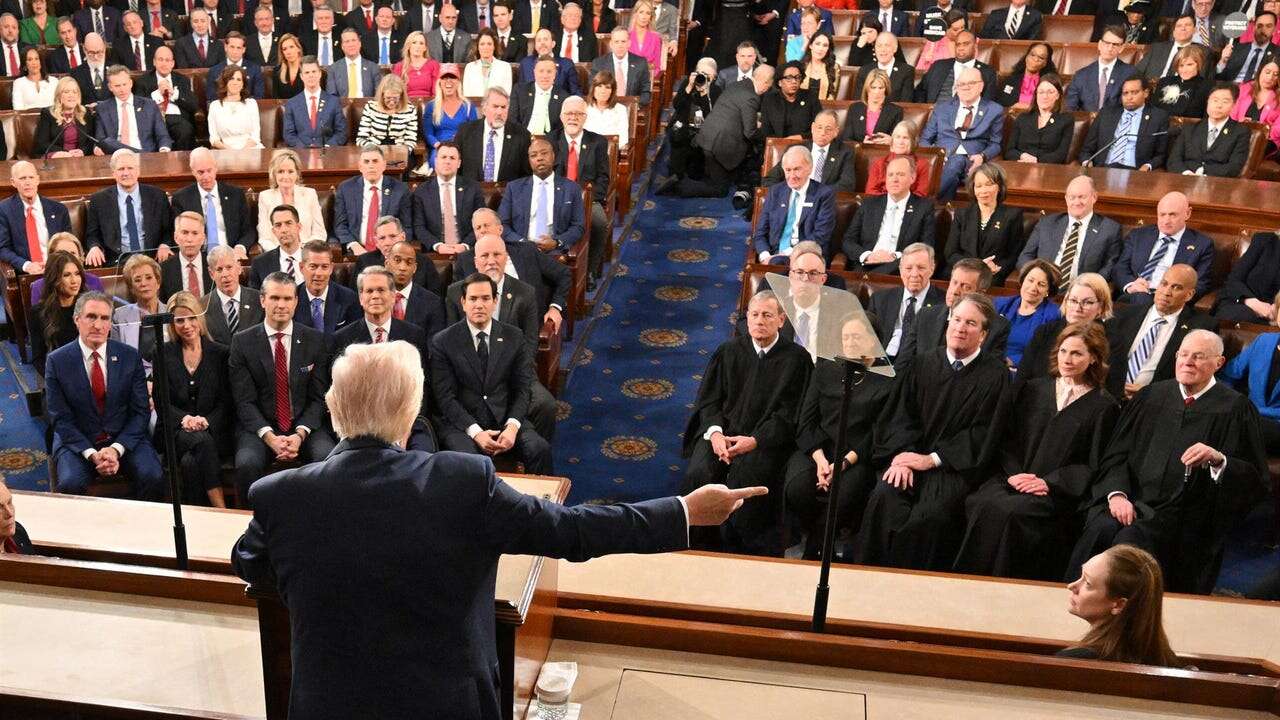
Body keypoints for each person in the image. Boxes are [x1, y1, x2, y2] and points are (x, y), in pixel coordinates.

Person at [232, 336, 764, 719]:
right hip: (446, 703)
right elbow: (573, 533)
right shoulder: (461, 481)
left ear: (331, 410)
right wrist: (683, 511)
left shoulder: (282, 496)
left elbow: (251, 563)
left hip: (329, 703)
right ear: (410, 412)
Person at [1070, 330, 1267, 594]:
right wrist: (1116, 495)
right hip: (1129, 500)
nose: (1188, 362)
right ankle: (1073, 603)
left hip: (1183, 513)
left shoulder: (1234, 409)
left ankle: (1126, 619)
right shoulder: (1150, 397)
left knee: (1130, 540)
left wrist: (1219, 460)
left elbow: (1254, 478)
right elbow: (1116, 454)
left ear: (1218, 363)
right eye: (1183, 355)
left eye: (1198, 356)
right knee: (1100, 527)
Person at [855, 293, 1011, 570]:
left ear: (984, 335)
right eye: (957, 319)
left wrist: (932, 459)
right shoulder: (923, 363)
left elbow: (982, 434)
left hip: (951, 468)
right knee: (884, 497)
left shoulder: (995, 376)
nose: (961, 328)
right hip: (909, 457)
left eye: (971, 323)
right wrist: (905, 455)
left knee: (929, 517)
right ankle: (867, 581)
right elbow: (900, 416)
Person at [956, 321, 1118, 579]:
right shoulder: (1034, 389)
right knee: (981, 502)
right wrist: (1013, 474)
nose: (1068, 359)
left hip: (1054, 492)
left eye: (1077, 353)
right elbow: (1007, 439)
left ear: (1094, 359)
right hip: (1012, 478)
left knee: (1012, 514)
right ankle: (967, 582)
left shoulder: (1103, 406)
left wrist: (1048, 482)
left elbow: (1092, 463)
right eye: (1064, 351)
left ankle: (1003, 589)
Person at [683, 290, 811, 555]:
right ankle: (698, 545)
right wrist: (716, 434)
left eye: (767, 315)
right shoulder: (728, 351)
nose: (759, 321)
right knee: (700, 472)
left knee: (747, 478)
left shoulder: (796, 360)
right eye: (754, 314)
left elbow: (790, 413)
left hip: (763, 441)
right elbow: (709, 401)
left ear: (781, 320)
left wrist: (755, 440)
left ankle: (740, 550)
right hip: (721, 436)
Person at [784, 313, 897, 559]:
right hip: (819, 448)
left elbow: (879, 430)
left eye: (856, 337)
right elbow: (807, 420)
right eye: (845, 337)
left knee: (843, 496)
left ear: (873, 340)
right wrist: (821, 460)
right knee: (797, 488)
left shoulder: (888, 378)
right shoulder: (827, 367)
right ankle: (821, 541)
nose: (849, 343)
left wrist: (844, 463)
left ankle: (815, 547)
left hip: (859, 454)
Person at [229, 270, 337, 504]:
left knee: (327, 459)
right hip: (259, 428)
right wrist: (270, 437)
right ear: (262, 300)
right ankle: (250, 528)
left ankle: (322, 525)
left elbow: (319, 398)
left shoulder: (314, 340)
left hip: (305, 426)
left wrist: (299, 435)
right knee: (247, 464)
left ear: (296, 302)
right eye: (275, 298)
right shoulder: (242, 341)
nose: (281, 304)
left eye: (287, 298)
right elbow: (244, 401)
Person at [46, 289, 165, 499]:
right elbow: (61, 419)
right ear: (77, 320)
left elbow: (140, 413)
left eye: (104, 318)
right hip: (78, 442)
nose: (98, 325)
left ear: (111, 323)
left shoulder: (129, 356)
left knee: (153, 476)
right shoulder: (57, 361)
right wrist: (93, 455)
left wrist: (116, 449)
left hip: (124, 438)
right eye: (91, 317)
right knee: (70, 483)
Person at [430, 272, 553, 473]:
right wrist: (476, 432)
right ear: (463, 302)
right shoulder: (443, 342)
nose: (479, 304)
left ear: (495, 301)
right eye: (473, 299)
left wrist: (512, 427)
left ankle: (539, 504)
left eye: (486, 298)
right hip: (462, 425)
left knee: (539, 449)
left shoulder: (514, 336)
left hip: (506, 419)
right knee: (470, 463)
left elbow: (522, 389)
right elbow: (445, 398)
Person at [446, 234, 558, 442]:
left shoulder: (525, 293)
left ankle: (532, 459)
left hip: (515, 374)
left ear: (506, 257)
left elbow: (530, 344)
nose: (491, 260)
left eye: (497, 254)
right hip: (470, 377)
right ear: (475, 261)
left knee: (546, 405)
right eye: (485, 255)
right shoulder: (455, 293)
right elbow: (453, 342)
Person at [332, 265, 435, 453]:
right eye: (369, 291)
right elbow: (339, 394)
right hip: (359, 428)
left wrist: (404, 428)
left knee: (422, 455)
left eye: (381, 290)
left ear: (394, 295)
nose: (375, 296)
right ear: (361, 297)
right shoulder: (342, 338)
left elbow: (423, 388)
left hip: (407, 423)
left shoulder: (414, 335)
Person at [158, 290, 230, 508]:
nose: (186, 325)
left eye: (191, 318)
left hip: (214, 430)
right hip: (176, 432)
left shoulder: (220, 353)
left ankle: (196, 519)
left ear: (200, 318)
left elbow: (227, 402)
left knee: (191, 462)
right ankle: (222, 509)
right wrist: (185, 420)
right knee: (200, 441)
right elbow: (161, 402)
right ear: (172, 324)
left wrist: (206, 421)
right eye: (179, 320)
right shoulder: (162, 352)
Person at [1104, 264, 1215, 401]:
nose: (1166, 292)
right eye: (1164, 284)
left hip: (1156, 402)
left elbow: (1197, 375)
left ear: (1189, 295)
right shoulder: (1123, 315)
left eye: (1176, 287)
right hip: (1108, 395)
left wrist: (1152, 392)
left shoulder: (1200, 328)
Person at [454, 208, 570, 333]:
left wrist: (555, 307)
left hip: (525, 323)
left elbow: (564, 274)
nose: (482, 230)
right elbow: (458, 299)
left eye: (486, 225)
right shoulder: (465, 260)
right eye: (478, 228)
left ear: (500, 229)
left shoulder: (527, 251)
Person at [1060, 545, 1180, 664]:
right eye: (1081, 575)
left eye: (1087, 583)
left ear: (1118, 605)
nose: (1071, 586)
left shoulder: (1075, 662)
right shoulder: (1169, 662)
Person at [670, 64, 772, 202]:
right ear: (766, 82)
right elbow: (750, 132)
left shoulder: (740, 84)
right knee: (720, 189)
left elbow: (735, 113)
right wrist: (769, 138)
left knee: (724, 177)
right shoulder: (751, 96)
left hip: (709, 137)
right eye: (770, 84)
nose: (768, 89)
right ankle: (678, 186)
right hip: (718, 145)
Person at [897, 258, 1011, 366]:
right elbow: (904, 363)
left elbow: (989, 373)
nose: (955, 291)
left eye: (965, 287)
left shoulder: (997, 327)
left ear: (980, 293)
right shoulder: (925, 315)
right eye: (954, 282)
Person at [1017, 176, 1123, 285]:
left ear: (1094, 197)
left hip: (1083, 292)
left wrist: (1091, 286)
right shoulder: (1047, 223)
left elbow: (1110, 266)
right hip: (1044, 287)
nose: (1077, 202)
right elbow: (1025, 256)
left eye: (1082, 197)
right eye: (1072, 197)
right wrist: (1035, 279)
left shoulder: (1109, 229)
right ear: (1066, 199)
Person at [1113, 192, 1214, 304]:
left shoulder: (1202, 244)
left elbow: (1201, 283)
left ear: (1187, 213)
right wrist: (1131, 286)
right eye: (1162, 215)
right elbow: (1120, 268)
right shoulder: (1138, 235)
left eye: (1172, 215)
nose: (1166, 221)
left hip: (1171, 302)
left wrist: (1171, 296)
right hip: (1135, 296)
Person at [842, 155, 936, 274]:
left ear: (912, 178)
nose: (894, 179)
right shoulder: (869, 204)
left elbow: (926, 247)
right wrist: (867, 255)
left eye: (900, 174)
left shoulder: (923, 207)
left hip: (900, 267)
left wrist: (895, 256)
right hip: (867, 264)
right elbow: (848, 241)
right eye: (890, 175)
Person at [921, 67, 1003, 201]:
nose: (965, 87)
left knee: (957, 161)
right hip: (943, 160)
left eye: (971, 83)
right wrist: (937, 156)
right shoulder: (942, 108)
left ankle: (927, 204)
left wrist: (982, 156)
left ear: (981, 86)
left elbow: (996, 144)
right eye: (961, 84)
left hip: (972, 161)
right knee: (953, 165)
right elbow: (925, 139)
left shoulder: (994, 110)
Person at [552, 96, 610, 284]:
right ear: (561, 117)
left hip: (588, 201)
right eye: (569, 113)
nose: (573, 118)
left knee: (599, 222)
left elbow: (603, 178)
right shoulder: (550, 140)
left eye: (579, 114)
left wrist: (590, 199)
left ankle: (590, 271)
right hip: (555, 200)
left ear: (585, 118)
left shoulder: (598, 142)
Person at [84, 149, 173, 268]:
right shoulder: (99, 200)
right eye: (121, 169)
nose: (126, 173)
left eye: (130, 168)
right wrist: (94, 247)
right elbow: (92, 235)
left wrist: (165, 244)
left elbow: (168, 229)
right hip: (117, 260)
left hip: (152, 258)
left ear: (138, 171)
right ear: (113, 173)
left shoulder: (157, 196)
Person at [497, 137, 584, 254]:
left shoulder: (571, 188)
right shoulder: (514, 188)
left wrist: (557, 242)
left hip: (555, 251)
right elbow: (502, 224)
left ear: (553, 156)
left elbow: (578, 226)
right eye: (533, 155)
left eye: (544, 153)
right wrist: (522, 242)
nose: (539, 158)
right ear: (529, 161)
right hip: (521, 250)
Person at [1019, 273, 1113, 379]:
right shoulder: (1045, 331)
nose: (1078, 308)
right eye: (1073, 300)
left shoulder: (1112, 341)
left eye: (1087, 302)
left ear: (1101, 307)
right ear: (1066, 301)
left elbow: (1112, 390)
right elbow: (1022, 377)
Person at [752, 146, 837, 264]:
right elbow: (760, 232)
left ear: (809, 169)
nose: (792, 175)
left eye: (797, 169)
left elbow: (821, 236)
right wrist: (765, 256)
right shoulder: (775, 192)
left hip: (808, 256)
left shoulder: (824, 194)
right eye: (788, 170)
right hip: (773, 255)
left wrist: (790, 254)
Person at [944, 164, 1023, 284]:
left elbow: (1014, 255)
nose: (983, 191)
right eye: (978, 186)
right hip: (963, 273)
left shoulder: (1012, 215)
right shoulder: (962, 214)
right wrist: (977, 266)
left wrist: (996, 268)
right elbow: (950, 253)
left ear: (999, 187)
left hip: (992, 277)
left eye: (989, 184)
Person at [171, 148, 255, 260]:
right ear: (193, 172)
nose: (206, 177)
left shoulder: (235, 194)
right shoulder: (181, 198)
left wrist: (240, 248)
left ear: (216, 168)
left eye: (209, 171)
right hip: (198, 257)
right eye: (201, 172)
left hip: (231, 255)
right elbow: (178, 235)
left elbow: (248, 230)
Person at [867, 242, 946, 361]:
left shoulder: (944, 304)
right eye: (908, 268)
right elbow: (868, 338)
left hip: (919, 366)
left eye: (921, 268)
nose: (914, 274)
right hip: (882, 363)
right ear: (900, 270)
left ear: (932, 269)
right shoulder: (880, 299)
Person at [333, 145, 414, 256]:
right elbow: (340, 225)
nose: (371, 166)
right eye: (366, 162)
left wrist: (394, 247)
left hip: (390, 251)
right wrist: (353, 245)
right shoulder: (346, 188)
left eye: (375, 161)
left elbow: (406, 227)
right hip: (357, 250)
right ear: (360, 166)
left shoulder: (400, 190)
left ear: (384, 165)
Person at [1078, 77, 1169, 171]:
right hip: (1103, 169)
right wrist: (1087, 162)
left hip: (1136, 172)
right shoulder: (1106, 114)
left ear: (1145, 93)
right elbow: (1086, 150)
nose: (1129, 97)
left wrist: (1148, 165)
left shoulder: (1158, 117)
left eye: (1134, 92)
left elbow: (1161, 154)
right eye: (1125, 93)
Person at [0, 161, 72, 278]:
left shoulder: (59, 209)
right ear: (13, 182)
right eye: (22, 178)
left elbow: (68, 243)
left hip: (58, 271)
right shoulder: (4, 210)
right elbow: (2, 248)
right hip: (25, 274)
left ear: (38, 180)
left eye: (31, 177)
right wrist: (27, 265)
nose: (28, 182)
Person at [412, 142, 483, 255]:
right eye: (443, 157)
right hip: (434, 252)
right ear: (435, 161)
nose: (447, 161)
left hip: (468, 252)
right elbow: (419, 227)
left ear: (459, 163)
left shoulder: (473, 188)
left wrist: (465, 246)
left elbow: (481, 223)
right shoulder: (422, 192)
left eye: (452, 158)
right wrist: (437, 246)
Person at [1167, 83, 1250, 177]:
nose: (1219, 105)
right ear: (1208, 102)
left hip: (1217, 183)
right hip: (1185, 179)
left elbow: (1234, 167)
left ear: (1234, 105)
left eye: (1225, 101)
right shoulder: (1189, 129)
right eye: (1215, 100)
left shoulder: (1240, 132)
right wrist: (1187, 173)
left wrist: (1202, 171)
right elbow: (1174, 160)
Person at [454, 87, 533, 182]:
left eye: (503, 107)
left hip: (507, 194)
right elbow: (456, 169)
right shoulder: (465, 132)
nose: (499, 112)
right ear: (484, 109)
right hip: (471, 194)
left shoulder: (522, 135)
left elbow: (526, 176)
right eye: (495, 106)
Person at [765, 111, 854, 193]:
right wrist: (790, 193)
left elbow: (847, 184)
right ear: (812, 128)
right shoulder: (795, 149)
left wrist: (818, 193)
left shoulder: (844, 152)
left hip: (823, 201)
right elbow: (770, 179)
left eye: (828, 129)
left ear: (836, 132)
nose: (823, 133)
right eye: (819, 127)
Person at [995, 259, 1062, 367]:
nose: (1033, 288)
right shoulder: (1001, 304)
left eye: (1041, 284)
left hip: (1022, 370)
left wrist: (1013, 361)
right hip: (992, 362)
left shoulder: (1052, 316)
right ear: (1022, 281)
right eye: (1030, 280)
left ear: (1048, 291)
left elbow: (1046, 354)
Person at [255, 149, 328, 250]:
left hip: (306, 253)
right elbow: (264, 238)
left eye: (290, 171)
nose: (286, 176)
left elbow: (319, 233)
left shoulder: (310, 194)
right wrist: (281, 253)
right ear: (274, 174)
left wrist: (304, 250)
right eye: (280, 171)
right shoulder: (265, 197)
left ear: (297, 173)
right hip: (277, 254)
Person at [93, 65, 172, 154]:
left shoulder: (149, 105)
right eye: (117, 86)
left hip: (147, 156)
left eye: (124, 84)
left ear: (131, 83)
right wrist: (97, 149)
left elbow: (162, 135)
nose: (122, 89)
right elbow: (100, 138)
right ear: (110, 87)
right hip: (116, 156)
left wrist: (164, 149)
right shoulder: (103, 108)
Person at [30, 251, 85, 375]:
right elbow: (38, 358)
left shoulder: (90, 306)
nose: (74, 280)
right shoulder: (39, 313)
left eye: (77, 274)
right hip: (59, 375)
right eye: (66, 275)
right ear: (54, 278)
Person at [384, 238, 449, 341]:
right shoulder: (374, 298)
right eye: (397, 260)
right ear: (387, 264)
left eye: (409, 263)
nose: (403, 267)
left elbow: (434, 346)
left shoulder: (433, 303)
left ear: (414, 268)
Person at [134, 45, 196, 151]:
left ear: (172, 63)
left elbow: (193, 105)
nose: (164, 63)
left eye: (167, 60)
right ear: (154, 62)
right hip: (153, 119)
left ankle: (182, 164)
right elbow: (138, 107)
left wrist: (174, 95)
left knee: (185, 130)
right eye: (160, 60)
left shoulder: (182, 80)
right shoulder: (142, 81)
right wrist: (157, 94)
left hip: (177, 118)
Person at [110, 253, 166, 368]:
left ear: (158, 282)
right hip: (133, 379)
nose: (144, 283)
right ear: (131, 288)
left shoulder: (172, 312)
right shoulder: (119, 316)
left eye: (149, 277)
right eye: (137, 280)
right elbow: (116, 357)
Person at [1003, 75, 1074, 165]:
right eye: (1041, 92)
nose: (1045, 96)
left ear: (1058, 95)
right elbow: (1009, 151)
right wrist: (1022, 156)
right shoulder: (1022, 118)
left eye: (1050, 92)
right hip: (1021, 166)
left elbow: (1060, 155)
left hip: (1049, 169)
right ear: (1036, 95)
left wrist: (1036, 160)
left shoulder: (1066, 119)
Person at [915, 29, 998, 104]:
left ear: (975, 46)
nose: (961, 48)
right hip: (935, 115)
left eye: (966, 44)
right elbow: (920, 93)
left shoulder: (987, 73)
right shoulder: (939, 66)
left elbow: (987, 105)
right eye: (958, 44)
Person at [1065, 26, 1135, 112]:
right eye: (1106, 43)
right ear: (1099, 44)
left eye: (1115, 45)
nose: (1110, 48)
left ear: (1121, 48)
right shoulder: (1081, 75)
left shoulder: (1130, 74)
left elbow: (1133, 107)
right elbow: (1070, 108)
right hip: (1087, 124)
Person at [204, 244, 263, 347]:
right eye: (219, 269)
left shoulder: (259, 299)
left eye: (229, 267)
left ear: (239, 268)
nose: (225, 274)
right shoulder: (202, 306)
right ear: (211, 274)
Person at [283, 56, 348, 148]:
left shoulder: (333, 102)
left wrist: (327, 147)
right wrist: (305, 149)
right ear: (301, 76)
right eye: (307, 72)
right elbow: (288, 135)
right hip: (302, 155)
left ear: (320, 74)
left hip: (328, 155)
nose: (311, 75)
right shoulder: (292, 104)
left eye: (314, 71)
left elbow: (341, 132)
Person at [1215, 231, 1280, 323]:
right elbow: (1234, 279)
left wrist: (1277, 307)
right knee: (1240, 315)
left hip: (1275, 311)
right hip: (1242, 301)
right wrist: (1252, 302)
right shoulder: (1265, 240)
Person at [422, 64, 477, 167]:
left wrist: (462, 147)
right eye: (444, 78)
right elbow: (428, 132)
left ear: (458, 82)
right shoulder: (431, 106)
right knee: (439, 161)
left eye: (452, 77)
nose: (448, 81)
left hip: (462, 148)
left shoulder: (469, 106)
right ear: (439, 82)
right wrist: (437, 145)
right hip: (439, 146)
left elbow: (473, 132)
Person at [27, 234, 105, 306]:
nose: (68, 258)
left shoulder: (94, 281)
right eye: (62, 254)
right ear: (52, 259)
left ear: (81, 257)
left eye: (73, 253)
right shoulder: (39, 287)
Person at [863, 120, 931, 196]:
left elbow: (921, 194)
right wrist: (890, 202)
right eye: (897, 137)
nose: (900, 142)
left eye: (905, 138)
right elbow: (870, 191)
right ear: (892, 140)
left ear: (913, 142)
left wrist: (900, 202)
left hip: (909, 205)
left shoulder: (922, 165)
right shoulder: (879, 163)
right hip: (881, 204)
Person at [35, 77, 96, 160]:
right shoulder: (48, 113)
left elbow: (91, 142)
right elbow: (41, 144)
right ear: (59, 95)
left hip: (79, 159)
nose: (71, 95)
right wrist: (64, 152)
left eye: (75, 92)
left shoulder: (85, 113)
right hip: (57, 157)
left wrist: (82, 151)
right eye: (66, 92)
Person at [206, 66, 264, 150]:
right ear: (225, 82)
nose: (235, 82)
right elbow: (214, 139)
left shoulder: (251, 103)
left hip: (250, 149)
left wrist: (242, 151)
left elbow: (255, 137)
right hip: (225, 150)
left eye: (239, 79)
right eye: (231, 79)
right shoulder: (215, 106)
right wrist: (230, 151)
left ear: (243, 84)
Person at [158, 211, 212, 300]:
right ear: (176, 237)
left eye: (195, 233)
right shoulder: (163, 270)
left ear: (203, 238)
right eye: (185, 232)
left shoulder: (214, 265)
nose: (189, 239)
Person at [593, 27, 651, 106]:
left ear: (629, 43)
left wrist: (635, 107)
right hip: (607, 108)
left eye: (623, 41)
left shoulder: (640, 63)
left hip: (631, 108)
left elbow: (646, 92)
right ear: (611, 44)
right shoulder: (599, 64)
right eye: (616, 42)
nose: (620, 45)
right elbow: (594, 90)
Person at [1134, 14, 1200, 83]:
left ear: (1194, 30)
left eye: (1187, 25)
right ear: (1173, 31)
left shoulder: (1202, 52)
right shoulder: (1157, 48)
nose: (1183, 28)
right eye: (1179, 26)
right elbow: (1137, 72)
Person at [762, 60, 820, 140]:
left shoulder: (811, 97)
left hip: (804, 145)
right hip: (777, 145)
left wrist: (801, 137)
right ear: (779, 82)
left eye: (798, 77)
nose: (794, 81)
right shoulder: (770, 99)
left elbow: (819, 128)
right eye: (788, 78)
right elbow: (766, 131)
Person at [1231, 60, 1280, 153]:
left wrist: (1260, 129)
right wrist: (1241, 123)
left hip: (1266, 139)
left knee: (1247, 146)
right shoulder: (1245, 88)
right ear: (1260, 71)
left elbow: (1278, 129)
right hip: (1241, 133)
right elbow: (1233, 115)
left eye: (1276, 74)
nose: (1270, 77)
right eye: (1267, 72)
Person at [842, 69, 903, 143]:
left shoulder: (896, 111)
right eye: (873, 87)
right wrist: (862, 144)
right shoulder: (855, 108)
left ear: (886, 89)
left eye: (881, 88)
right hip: (858, 152)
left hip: (882, 151)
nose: (876, 92)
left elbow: (899, 139)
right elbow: (846, 139)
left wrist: (891, 141)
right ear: (867, 89)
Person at [1216, 10, 1277, 84]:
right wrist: (1223, 61)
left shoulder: (1277, 53)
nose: (1263, 30)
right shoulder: (1235, 48)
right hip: (1230, 88)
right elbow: (1219, 77)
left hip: (1256, 91)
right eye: (1260, 25)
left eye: (1268, 26)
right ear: (1254, 27)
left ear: (1274, 30)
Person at [511, 56, 566, 135]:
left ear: (555, 74)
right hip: (524, 137)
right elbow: (513, 119)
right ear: (534, 73)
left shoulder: (563, 96)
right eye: (541, 71)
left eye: (549, 71)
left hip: (551, 141)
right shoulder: (520, 91)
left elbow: (562, 127)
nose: (545, 76)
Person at [855, 32, 913, 103]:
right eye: (879, 46)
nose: (883, 49)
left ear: (895, 48)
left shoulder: (906, 71)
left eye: (887, 45)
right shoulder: (864, 71)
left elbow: (905, 103)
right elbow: (859, 102)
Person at [327, 27, 382, 99]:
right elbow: (331, 96)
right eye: (347, 41)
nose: (351, 44)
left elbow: (379, 95)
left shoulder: (373, 68)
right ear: (342, 46)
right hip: (342, 108)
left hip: (367, 107)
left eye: (353, 40)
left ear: (359, 43)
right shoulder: (333, 69)